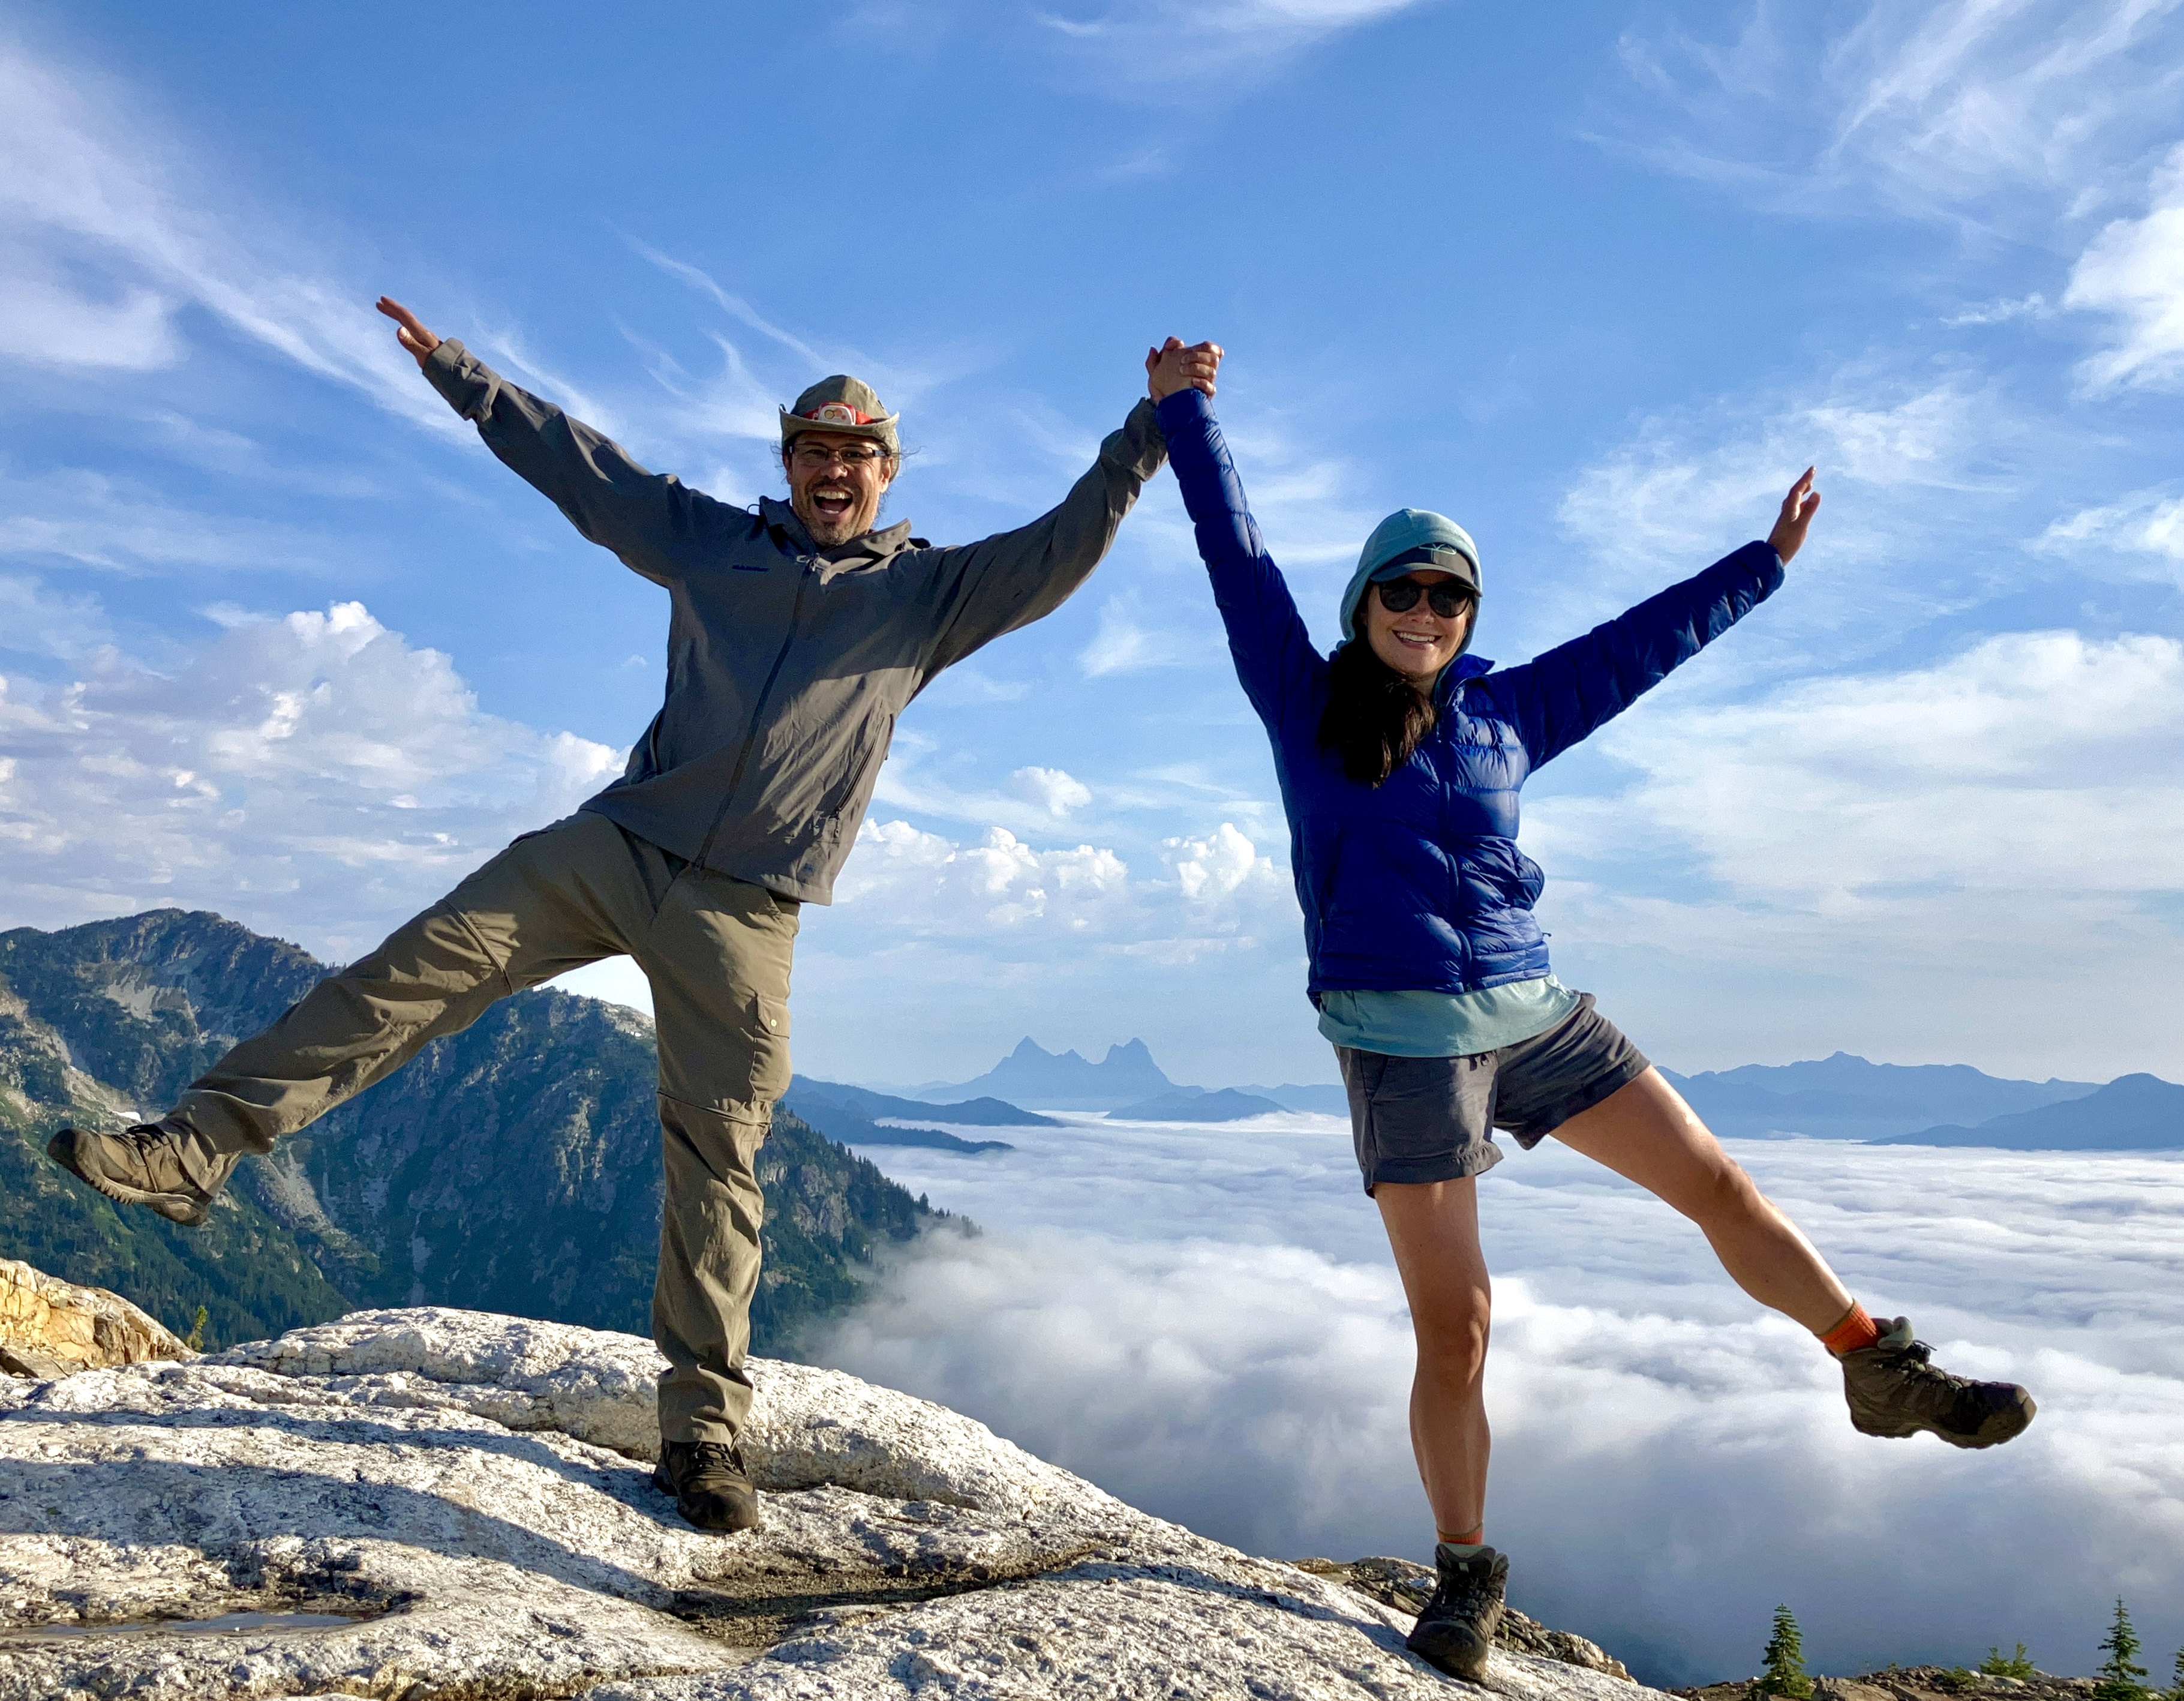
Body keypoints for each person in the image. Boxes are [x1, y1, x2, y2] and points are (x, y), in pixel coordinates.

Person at [46, 299, 1223, 1535]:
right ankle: (191, 1151)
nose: (834, 473)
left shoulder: (929, 596)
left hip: (749, 912)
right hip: (616, 845)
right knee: (405, 976)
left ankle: (703, 1433)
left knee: (719, 1156)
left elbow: (1059, 547)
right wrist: (464, 378)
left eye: (857, 456)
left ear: (886, 475)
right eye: (815, 452)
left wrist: (1148, 426)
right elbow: (586, 470)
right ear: (789, 463)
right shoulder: (713, 544)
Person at [1152, 375, 2035, 1683]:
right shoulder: (1301, 695)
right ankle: (1464, 1573)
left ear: (1469, 615)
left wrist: (1763, 566)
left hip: (1540, 1009)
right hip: (1400, 1041)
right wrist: (1187, 414)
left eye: (1450, 593)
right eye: (1402, 588)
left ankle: (1877, 1366)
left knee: (1720, 1183)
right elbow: (1239, 551)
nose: (1425, 610)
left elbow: (1640, 644)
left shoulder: (1511, 712)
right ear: (1363, 605)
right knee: (1458, 1326)